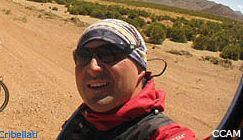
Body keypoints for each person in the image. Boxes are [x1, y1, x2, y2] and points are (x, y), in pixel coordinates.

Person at [57, 19, 197, 140]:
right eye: (83, 56)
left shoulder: (159, 133)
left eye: (109, 54)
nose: (92, 67)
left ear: (140, 68)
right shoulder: (85, 116)